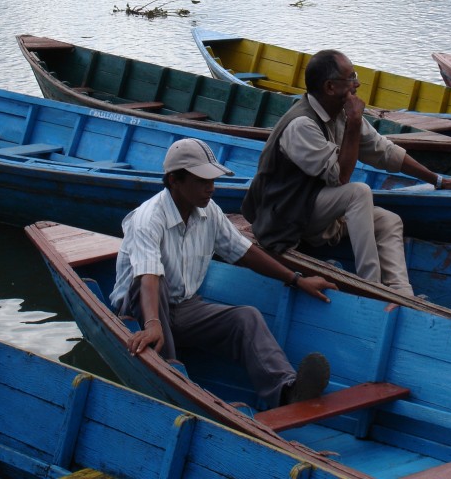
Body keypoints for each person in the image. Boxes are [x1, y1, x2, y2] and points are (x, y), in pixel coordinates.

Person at [110, 137, 336, 410]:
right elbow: (147, 275)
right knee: (155, 282)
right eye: (202, 181)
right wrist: (152, 324)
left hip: (183, 307)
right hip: (140, 308)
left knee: (246, 317)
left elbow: (245, 252)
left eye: (212, 180)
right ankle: (170, 378)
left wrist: (297, 279)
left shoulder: (209, 212)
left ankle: (287, 392)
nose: (211, 188)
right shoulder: (148, 218)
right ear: (174, 181)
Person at [242, 49, 451, 296]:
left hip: (314, 211)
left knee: (389, 221)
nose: (357, 84)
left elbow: (384, 151)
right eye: (351, 78)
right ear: (330, 87)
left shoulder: (341, 113)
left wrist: (440, 180)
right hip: (285, 217)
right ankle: (371, 287)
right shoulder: (302, 124)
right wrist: (354, 124)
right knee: (358, 192)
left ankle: (401, 294)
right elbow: (341, 177)